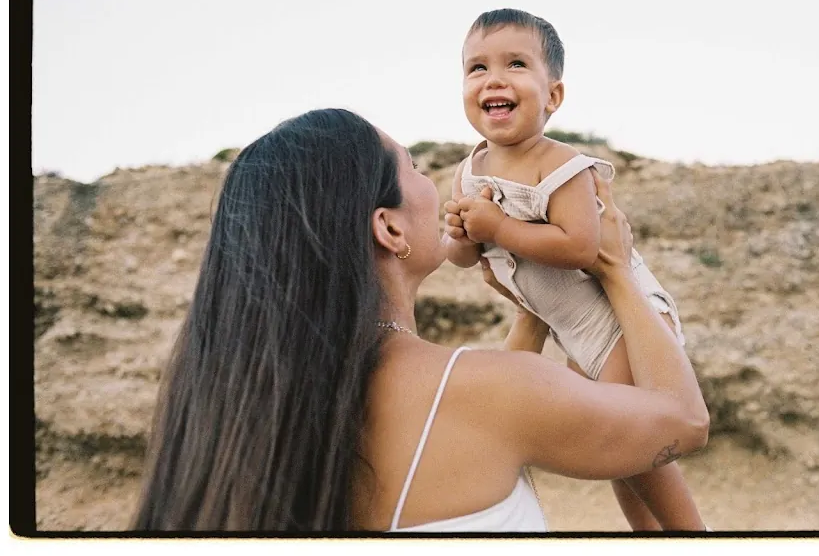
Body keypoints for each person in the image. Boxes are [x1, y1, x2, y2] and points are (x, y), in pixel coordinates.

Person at [132, 108, 709, 532]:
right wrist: (615, 272)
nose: (434, 181)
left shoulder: (247, 407)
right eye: (412, 166)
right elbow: (683, 422)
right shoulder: (475, 390)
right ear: (388, 228)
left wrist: (531, 300)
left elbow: (484, 409)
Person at [443, 8, 707, 531]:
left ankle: (692, 534)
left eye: (516, 64)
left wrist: (497, 227)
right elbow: (465, 259)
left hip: (621, 324)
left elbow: (583, 246)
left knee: (643, 445)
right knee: (620, 457)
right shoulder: (468, 171)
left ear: (553, 96)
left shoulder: (559, 163)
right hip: (575, 335)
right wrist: (460, 235)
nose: (493, 78)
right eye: (477, 68)